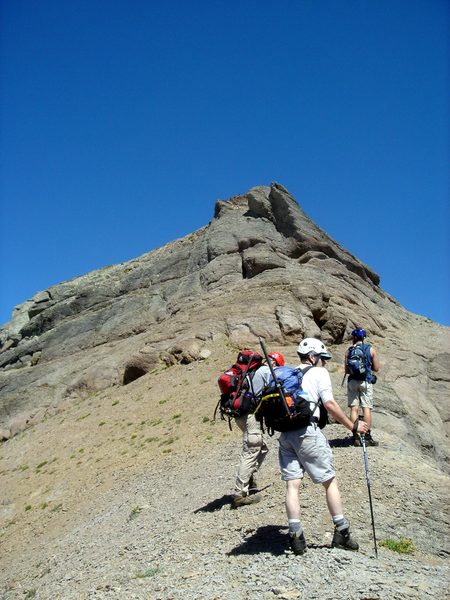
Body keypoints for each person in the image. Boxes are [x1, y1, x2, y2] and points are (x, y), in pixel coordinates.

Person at [277, 338, 368, 554]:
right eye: (322, 358)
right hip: (307, 432)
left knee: (292, 485)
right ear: (312, 357)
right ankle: (342, 531)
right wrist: (353, 426)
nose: (324, 362)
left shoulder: (289, 374)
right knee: (329, 481)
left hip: (286, 434)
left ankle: (296, 537)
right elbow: (329, 404)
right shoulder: (319, 373)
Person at [231, 351, 285, 508]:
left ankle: (248, 476)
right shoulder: (266, 371)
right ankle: (240, 494)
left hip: (241, 416)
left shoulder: (251, 371)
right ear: (274, 363)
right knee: (251, 450)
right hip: (248, 416)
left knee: (262, 447)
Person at [344, 327, 380, 446]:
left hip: (352, 382)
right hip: (366, 381)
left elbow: (347, 370)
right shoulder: (371, 349)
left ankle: (356, 436)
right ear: (363, 337)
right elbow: (376, 368)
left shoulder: (349, 351)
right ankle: (367, 437)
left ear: (353, 338)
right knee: (366, 408)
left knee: (354, 409)